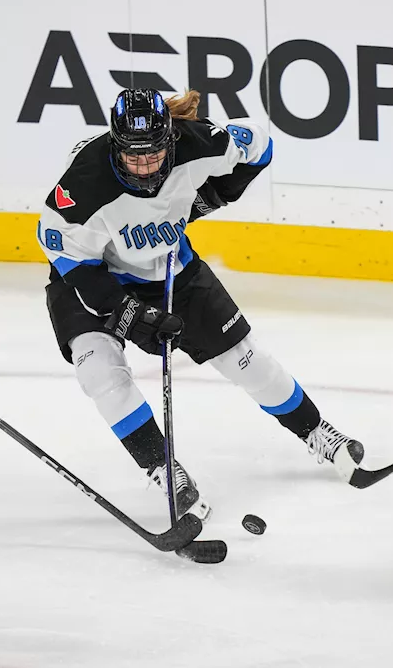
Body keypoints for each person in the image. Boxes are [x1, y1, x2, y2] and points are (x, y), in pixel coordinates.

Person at [36, 88, 364, 520]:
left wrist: (214, 195)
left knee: (245, 360)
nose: (146, 168)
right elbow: (71, 262)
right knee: (100, 371)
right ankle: (162, 467)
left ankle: (316, 430)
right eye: (133, 158)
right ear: (115, 147)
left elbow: (259, 146)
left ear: (170, 140)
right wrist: (131, 317)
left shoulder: (197, 142)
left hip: (171, 268)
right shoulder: (82, 188)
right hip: (92, 280)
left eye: (154, 155)